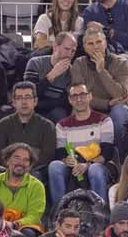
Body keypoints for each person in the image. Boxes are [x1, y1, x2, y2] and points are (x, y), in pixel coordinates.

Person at [48, 79, 117, 208]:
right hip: (73, 166)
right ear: (69, 100)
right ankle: (59, 211)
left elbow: (107, 152)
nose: (79, 99)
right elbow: (61, 152)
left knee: (94, 169)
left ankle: (99, 212)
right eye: (74, 96)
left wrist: (87, 165)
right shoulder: (62, 125)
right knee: (54, 166)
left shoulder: (104, 120)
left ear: (90, 96)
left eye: (82, 95)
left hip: (98, 165)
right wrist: (67, 160)